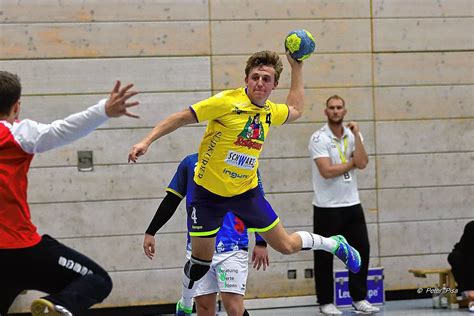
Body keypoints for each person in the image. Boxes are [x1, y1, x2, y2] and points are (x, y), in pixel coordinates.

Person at [128, 50, 361, 315]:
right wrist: (147, 141)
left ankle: (335, 244)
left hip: (246, 194)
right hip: (207, 195)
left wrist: (297, 68)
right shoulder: (226, 102)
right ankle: (184, 302)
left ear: (274, 85)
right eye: (255, 77)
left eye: (266, 79)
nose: (260, 83)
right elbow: (181, 117)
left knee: (286, 245)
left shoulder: (270, 112)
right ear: (246, 80)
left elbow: (296, 109)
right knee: (200, 263)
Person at [0, 71, 139, 316]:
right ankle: (59, 306)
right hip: (21, 250)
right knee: (97, 279)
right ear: (16, 106)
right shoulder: (17, 133)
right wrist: (103, 110)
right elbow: (61, 130)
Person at [143, 153, 269, 316]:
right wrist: (151, 231)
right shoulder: (190, 163)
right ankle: (185, 304)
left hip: (233, 245)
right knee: (204, 308)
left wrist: (261, 241)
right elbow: (172, 199)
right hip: (199, 247)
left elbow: (257, 202)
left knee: (234, 308)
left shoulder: (244, 162)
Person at [308, 95, 379, 314]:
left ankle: (359, 298)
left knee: (361, 250)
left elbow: (364, 162)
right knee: (324, 255)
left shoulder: (352, 135)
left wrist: (357, 134)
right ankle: (325, 301)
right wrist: (351, 163)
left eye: (339, 108)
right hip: (326, 207)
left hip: (352, 204)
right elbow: (327, 171)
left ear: (345, 111)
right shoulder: (318, 138)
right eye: (332, 108)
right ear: (326, 111)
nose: (336, 111)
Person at [448, 220, 474, 312]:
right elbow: (464, 249)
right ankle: (470, 294)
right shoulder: (471, 226)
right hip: (466, 256)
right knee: (455, 257)